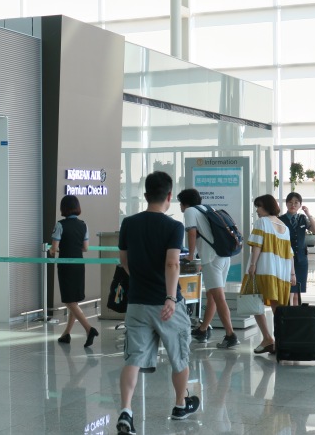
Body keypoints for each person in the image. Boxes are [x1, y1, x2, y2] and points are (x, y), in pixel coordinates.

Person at [116, 171, 199, 435]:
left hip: (137, 302)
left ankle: (126, 410)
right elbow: (173, 262)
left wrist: (140, 280)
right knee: (179, 356)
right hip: (166, 305)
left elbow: (124, 261)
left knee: (134, 357)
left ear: (145, 195)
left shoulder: (129, 223)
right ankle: (179, 404)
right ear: (169, 196)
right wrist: (170, 297)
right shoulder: (173, 227)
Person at [177, 189, 240, 349]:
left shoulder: (190, 211)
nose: (180, 207)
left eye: (180, 204)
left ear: (185, 203)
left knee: (218, 297)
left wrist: (190, 255)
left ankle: (230, 335)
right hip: (223, 257)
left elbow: (191, 233)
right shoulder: (207, 209)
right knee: (212, 295)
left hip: (211, 259)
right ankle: (203, 330)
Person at [245, 194, 295, 354]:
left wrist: (252, 264)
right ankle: (283, 340)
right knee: (277, 307)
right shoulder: (284, 227)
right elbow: (290, 253)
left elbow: (257, 246)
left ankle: (268, 338)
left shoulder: (262, 222)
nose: (257, 211)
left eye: (259, 206)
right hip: (281, 272)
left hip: (263, 269)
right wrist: (292, 273)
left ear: (267, 206)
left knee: (253, 300)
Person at [48, 195, 98, 347]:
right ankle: (66, 334)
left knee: (69, 301)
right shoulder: (84, 225)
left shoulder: (60, 225)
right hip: (79, 264)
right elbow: (86, 248)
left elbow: (55, 248)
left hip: (66, 265)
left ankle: (89, 329)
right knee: (73, 300)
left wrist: (51, 251)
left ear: (63, 208)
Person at [278, 192, 315, 306]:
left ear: (300, 204)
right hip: (285, 259)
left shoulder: (303, 219)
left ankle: (295, 318)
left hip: (301, 259)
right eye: (290, 202)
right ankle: (286, 316)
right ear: (286, 204)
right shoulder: (280, 219)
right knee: (287, 291)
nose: (293, 204)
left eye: (296, 202)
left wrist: (308, 213)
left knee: (297, 292)